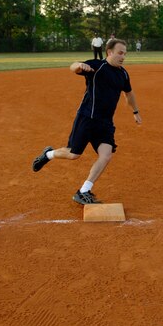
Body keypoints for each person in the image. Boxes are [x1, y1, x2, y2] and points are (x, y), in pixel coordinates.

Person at [32, 38, 142, 204]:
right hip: (87, 118)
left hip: (105, 123)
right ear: (109, 52)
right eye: (120, 53)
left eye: (125, 54)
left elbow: (129, 94)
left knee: (106, 155)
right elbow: (74, 66)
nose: (123, 57)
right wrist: (79, 66)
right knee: (73, 154)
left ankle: (84, 190)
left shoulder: (123, 73)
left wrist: (135, 111)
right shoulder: (97, 67)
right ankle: (48, 154)